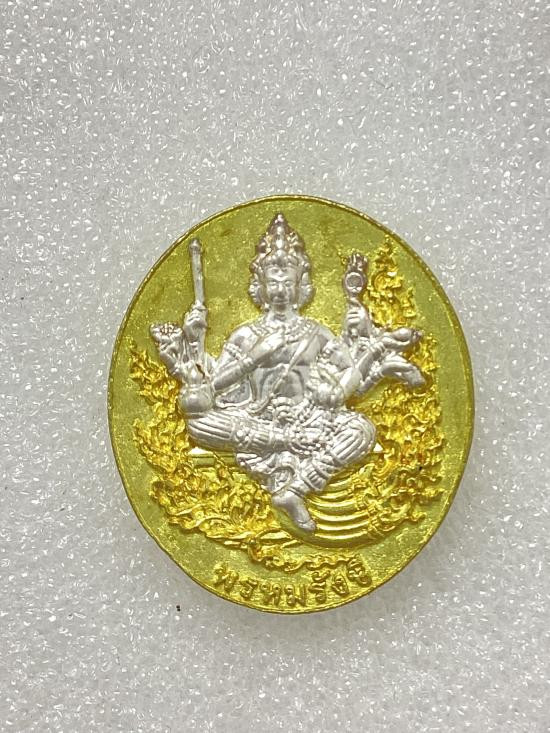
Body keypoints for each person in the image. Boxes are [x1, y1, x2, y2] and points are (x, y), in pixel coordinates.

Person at [153, 214, 423, 532]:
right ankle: (286, 446)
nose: (280, 290)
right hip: (258, 424)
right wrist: (254, 357)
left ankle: (297, 489)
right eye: (273, 282)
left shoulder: (316, 333)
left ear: (300, 286)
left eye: (287, 282)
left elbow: (350, 373)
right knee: (197, 425)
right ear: (260, 286)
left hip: (311, 421)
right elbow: (213, 390)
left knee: (362, 430)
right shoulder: (245, 335)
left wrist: (337, 392)